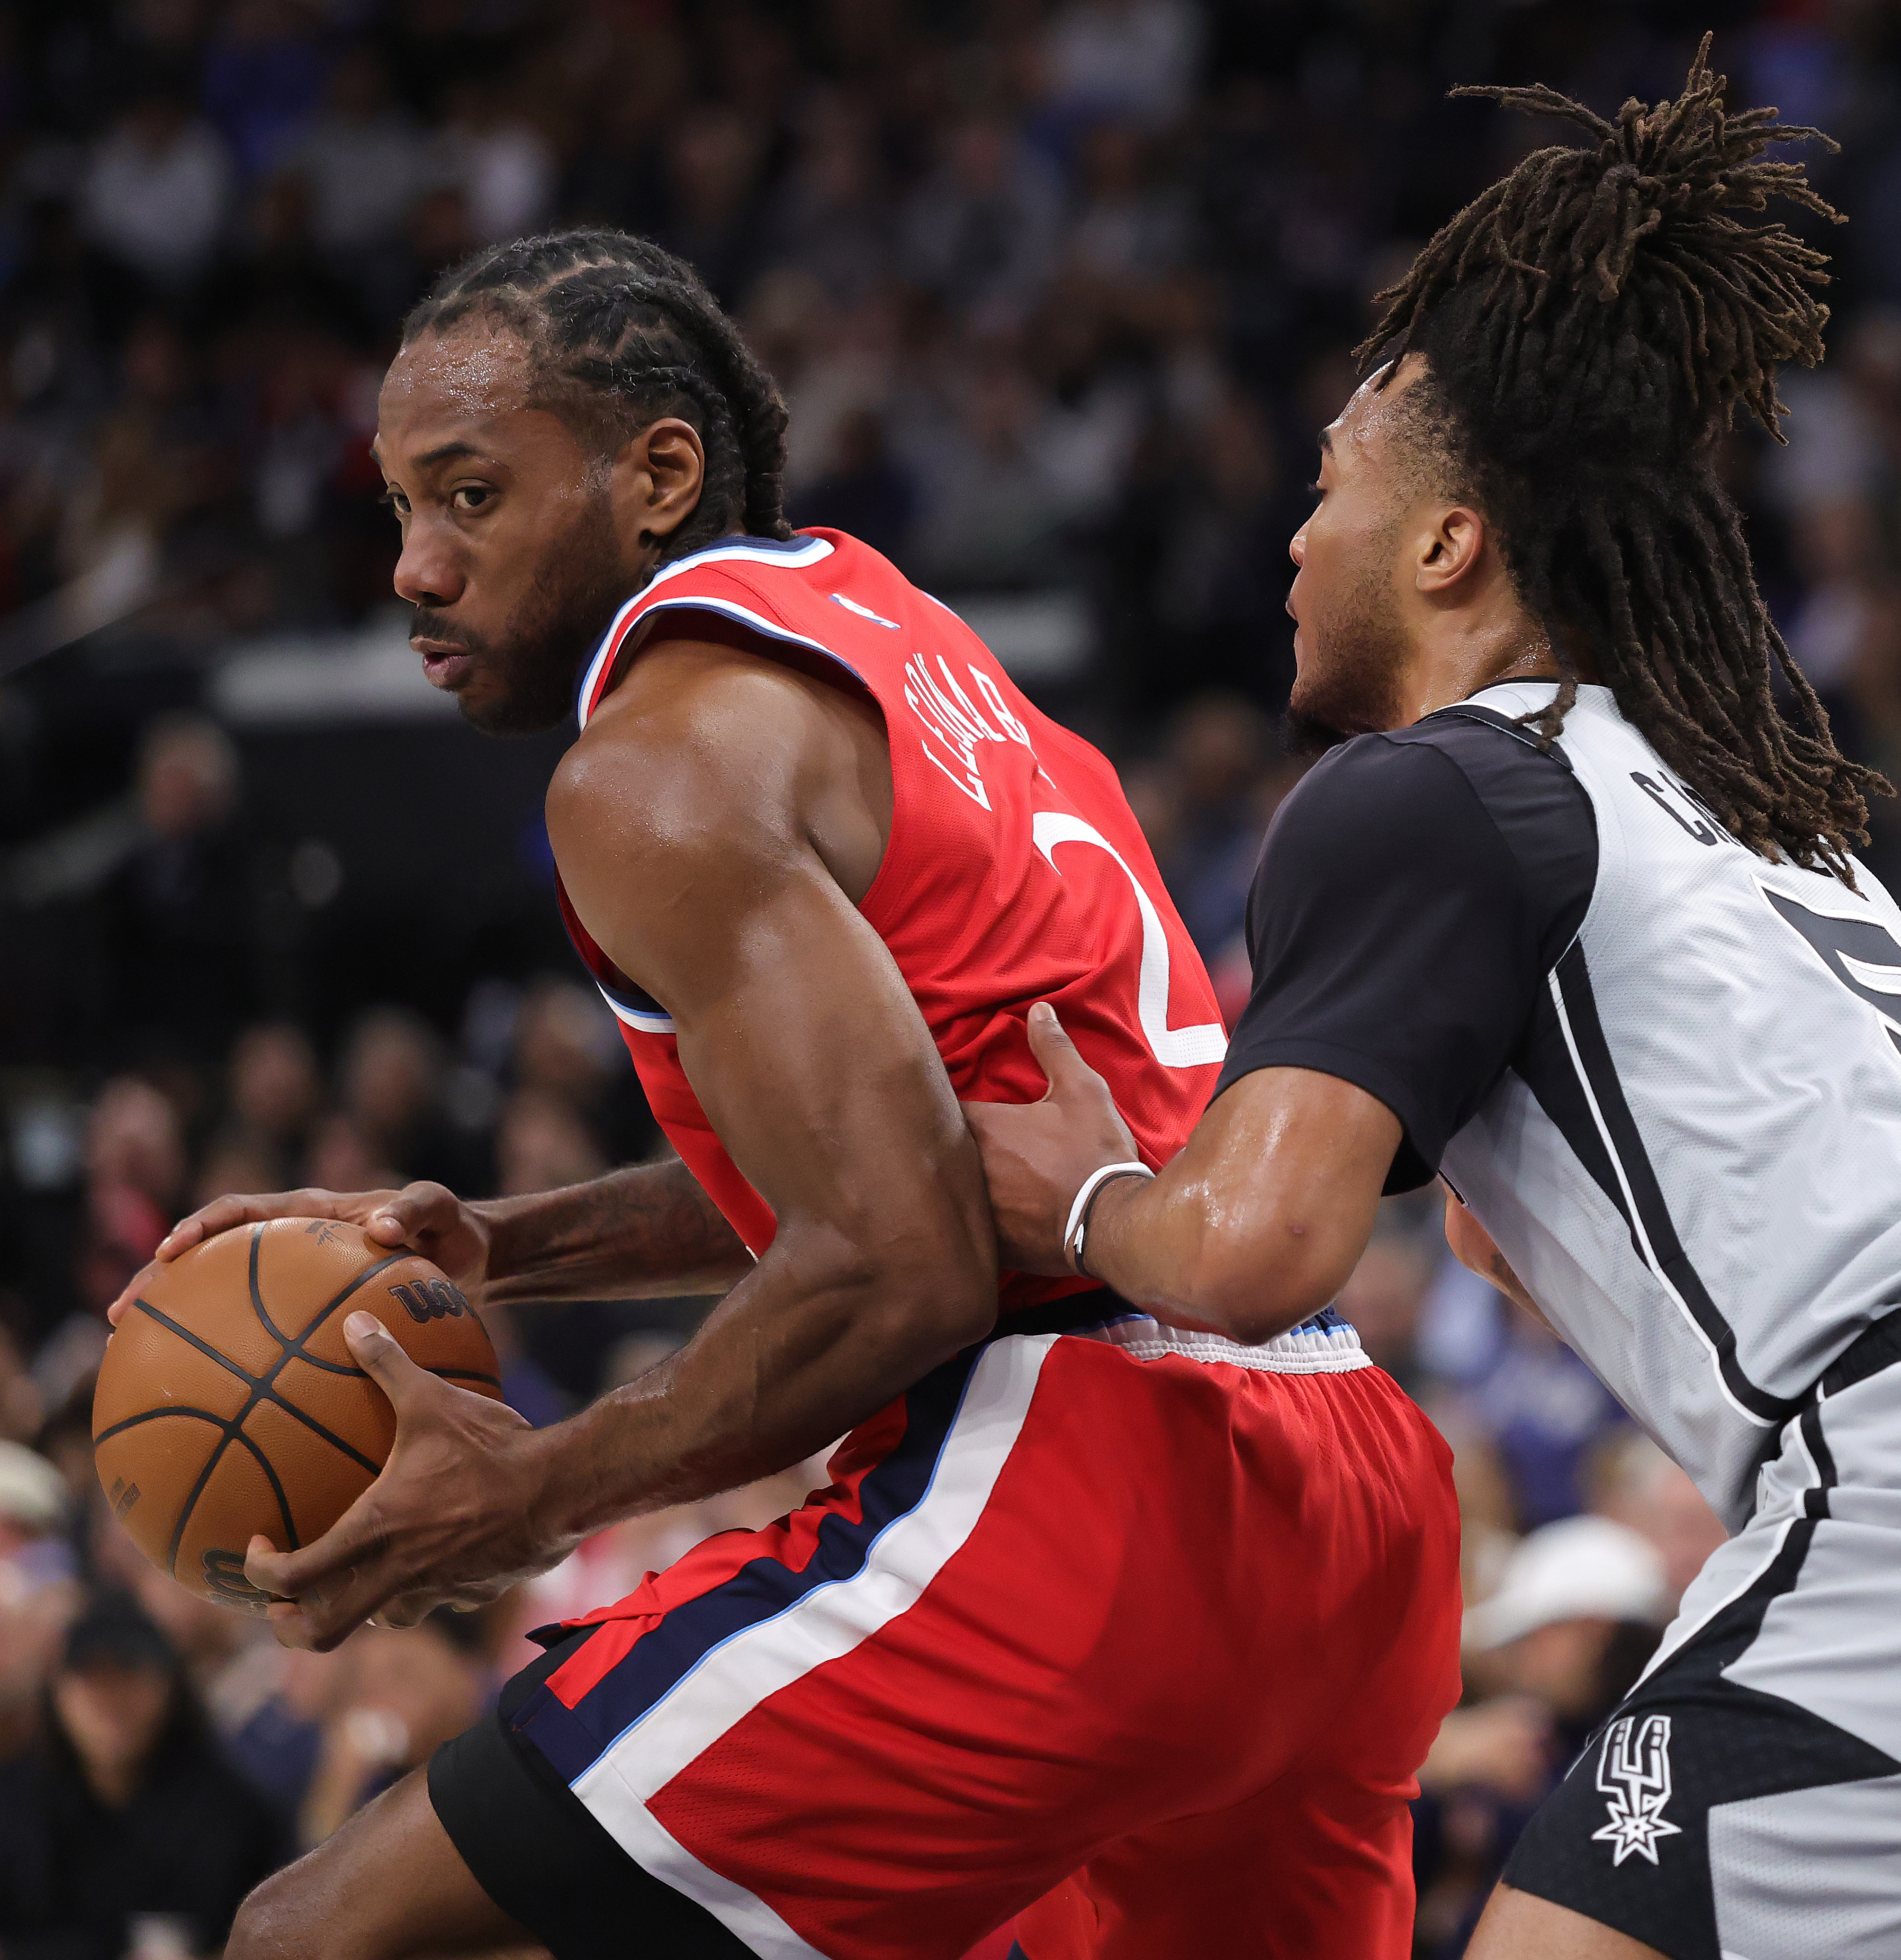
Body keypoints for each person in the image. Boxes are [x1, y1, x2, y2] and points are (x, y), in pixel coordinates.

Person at [965, 46, 1901, 1960]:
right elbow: (1552, 1209)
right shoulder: (1718, 793)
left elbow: (1246, 1252)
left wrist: (1082, 1195)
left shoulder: (1418, 789)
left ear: (1445, 545)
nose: (1293, 543)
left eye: (1328, 493)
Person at [131, 230, 1459, 1959]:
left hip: (1083, 1494)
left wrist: (534, 1489)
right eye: (396, 510)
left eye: (468, 497)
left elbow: (898, 1258)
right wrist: (512, 1250)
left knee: (310, 1934)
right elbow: (894, 1144)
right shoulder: (899, 639)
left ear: (657, 474)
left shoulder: (654, 767)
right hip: (1335, 1479)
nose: (415, 568)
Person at [0, 1595, 286, 1959]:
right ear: (58, 1693)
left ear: (170, 1687)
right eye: (92, 1680)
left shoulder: (237, 1813)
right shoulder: (15, 1804)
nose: (110, 1702)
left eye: (129, 1675)